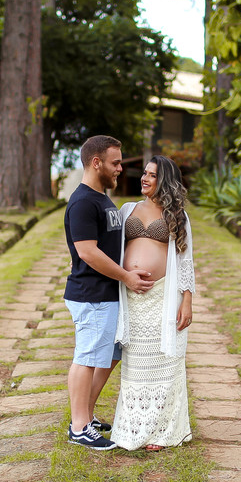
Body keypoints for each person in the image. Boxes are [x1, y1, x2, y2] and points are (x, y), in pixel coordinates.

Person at [63, 135, 154, 450]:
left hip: (106, 294)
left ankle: (85, 415)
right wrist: (127, 277)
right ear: (96, 162)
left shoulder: (102, 198)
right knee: (87, 358)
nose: (120, 168)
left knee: (109, 356)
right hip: (91, 294)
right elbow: (87, 252)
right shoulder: (83, 202)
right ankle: (79, 428)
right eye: (115, 163)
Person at [110, 155, 195, 451]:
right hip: (132, 297)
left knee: (165, 361)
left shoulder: (177, 216)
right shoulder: (127, 210)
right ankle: (134, 427)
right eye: (144, 173)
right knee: (135, 365)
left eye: (152, 175)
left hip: (163, 296)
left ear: (166, 181)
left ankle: (161, 431)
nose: (144, 178)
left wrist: (187, 299)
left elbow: (185, 260)